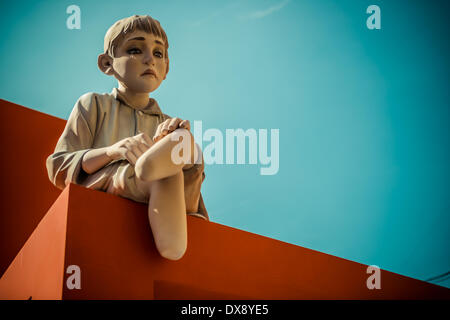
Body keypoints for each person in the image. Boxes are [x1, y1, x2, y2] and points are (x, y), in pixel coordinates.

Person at [46, 14, 208, 261]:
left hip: (169, 197)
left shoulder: (164, 122)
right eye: (135, 49)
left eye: (158, 53)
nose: (148, 60)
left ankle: (156, 165)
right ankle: (151, 170)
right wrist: (114, 151)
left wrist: (179, 140)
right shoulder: (94, 104)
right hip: (112, 183)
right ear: (106, 64)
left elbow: (193, 200)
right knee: (163, 168)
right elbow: (58, 165)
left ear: (166, 68)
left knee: (184, 145)